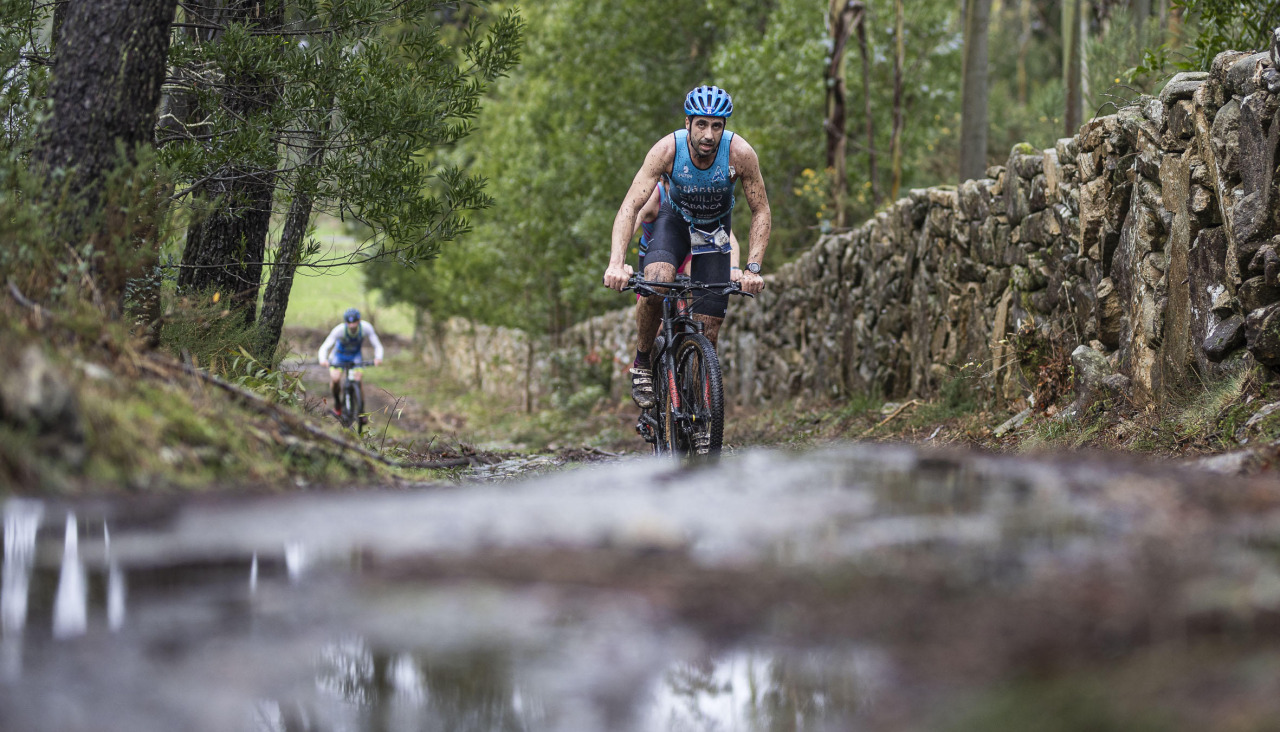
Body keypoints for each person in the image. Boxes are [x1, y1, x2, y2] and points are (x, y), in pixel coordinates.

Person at [603, 84, 771, 409]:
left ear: (725, 127)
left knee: (708, 331)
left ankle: (699, 415)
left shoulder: (741, 155)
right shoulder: (667, 151)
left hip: (715, 232)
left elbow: (760, 209)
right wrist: (615, 262)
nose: (709, 134)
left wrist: (752, 267)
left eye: (717, 125)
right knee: (657, 283)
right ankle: (642, 363)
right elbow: (630, 206)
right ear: (688, 123)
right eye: (702, 124)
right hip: (674, 223)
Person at [318, 307, 384, 417]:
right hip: (338, 356)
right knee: (335, 379)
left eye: (355, 322)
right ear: (345, 322)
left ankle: (361, 411)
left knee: (358, 380)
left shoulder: (366, 328)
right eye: (349, 322)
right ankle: (338, 405)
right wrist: (323, 360)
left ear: (359, 321)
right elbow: (325, 346)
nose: (352, 325)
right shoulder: (339, 330)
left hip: (355, 356)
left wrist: (378, 358)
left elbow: (377, 345)